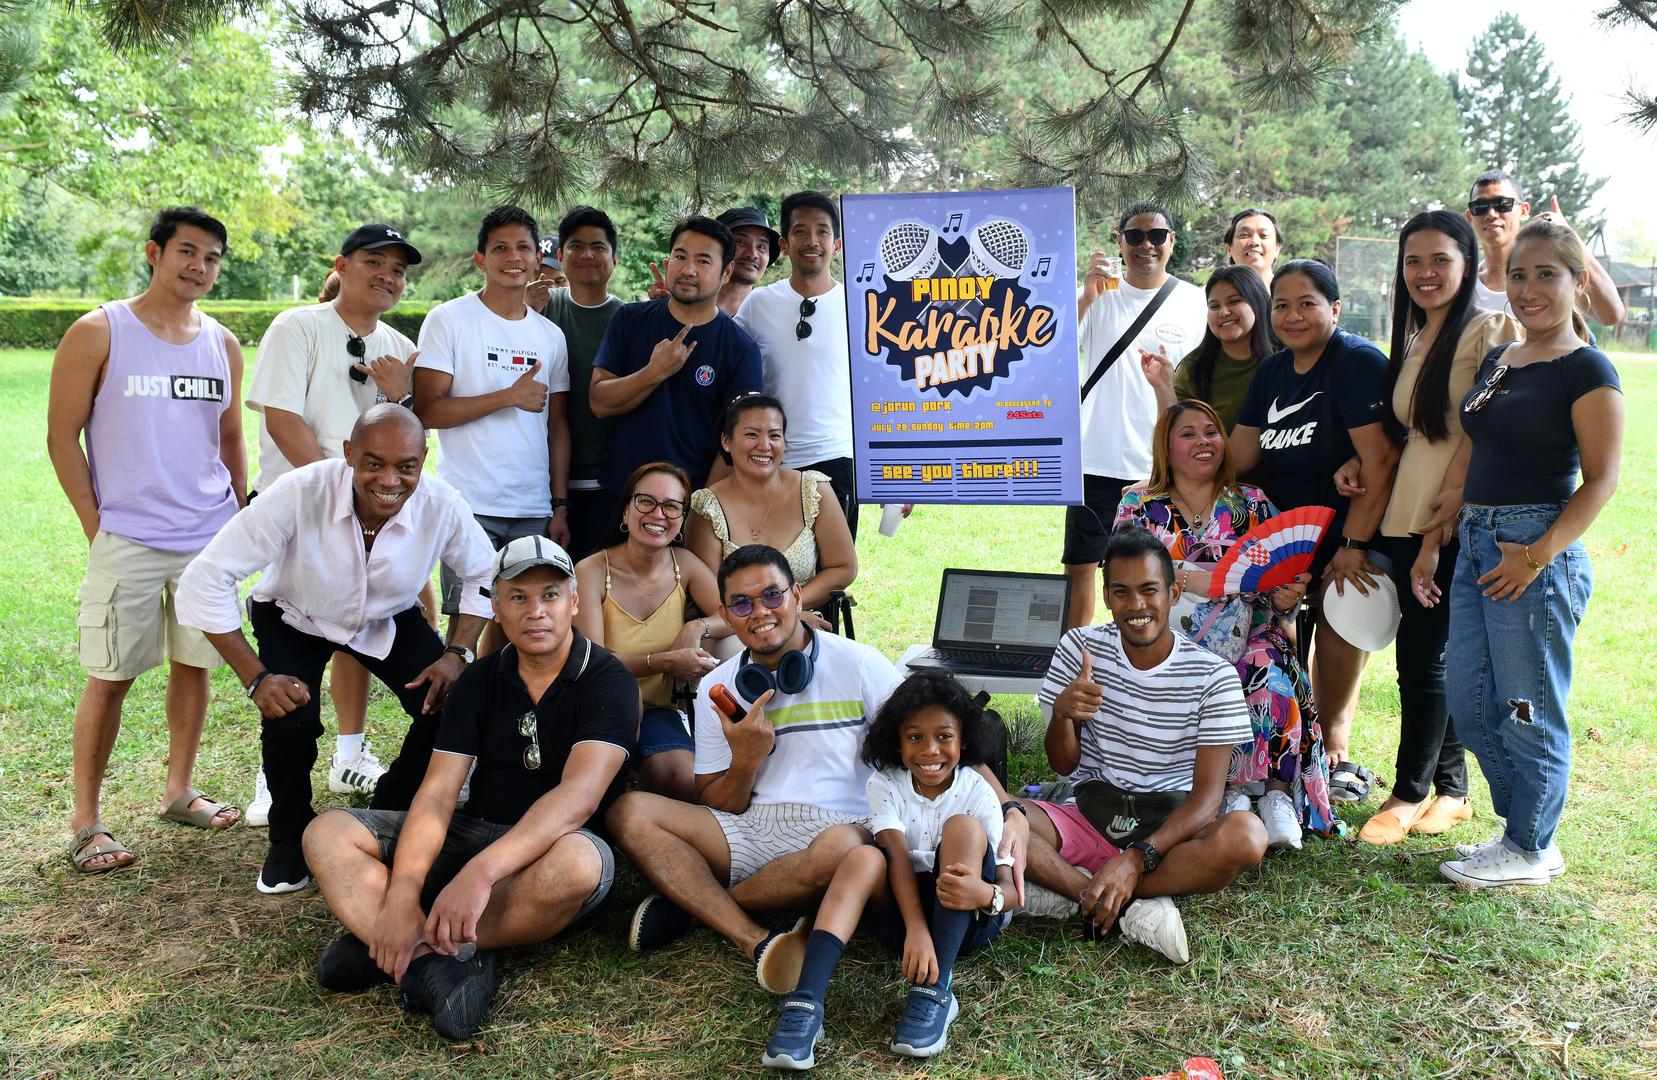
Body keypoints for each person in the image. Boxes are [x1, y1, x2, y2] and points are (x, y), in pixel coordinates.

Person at [605, 545, 1027, 986]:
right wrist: (745, 762)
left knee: (843, 849)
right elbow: (718, 803)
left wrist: (1010, 807)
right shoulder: (718, 686)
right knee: (629, 811)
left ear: (797, 596)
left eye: (772, 595)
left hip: (847, 827)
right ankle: (754, 937)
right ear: (726, 616)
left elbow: (935, 740)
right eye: (742, 604)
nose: (760, 612)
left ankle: (697, 905)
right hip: (751, 825)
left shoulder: (858, 663)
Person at [301, 536, 636, 1041]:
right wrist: (403, 892)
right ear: (496, 607)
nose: (536, 611)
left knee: (581, 864)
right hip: (472, 833)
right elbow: (438, 794)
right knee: (326, 833)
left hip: (552, 849)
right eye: (518, 597)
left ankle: (396, 944)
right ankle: (430, 954)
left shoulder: (608, 678)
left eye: (549, 595)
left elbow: (577, 799)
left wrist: (479, 875)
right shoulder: (479, 679)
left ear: (573, 602)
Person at [176, 405, 494, 894]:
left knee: (448, 701)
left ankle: (390, 807)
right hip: (294, 613)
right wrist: (257, 678)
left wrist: (457, 654)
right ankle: (288, 837)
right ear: (349, 454)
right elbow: (206, 577)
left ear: (423, 459)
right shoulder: (299, 491)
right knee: (291, 720)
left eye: (406, 466)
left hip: (385, 616)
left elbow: (484, 574)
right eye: (374, 463)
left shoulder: (442, 503)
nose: (390, 480)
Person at [1419, 218, 1622, 887]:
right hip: (1477, 539)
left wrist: (1534, 557)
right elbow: (1475, 441)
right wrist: (1448, 514)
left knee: (1526, 705)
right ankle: (1519, 830)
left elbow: (1601, 480)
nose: (1528, 289)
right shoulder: (1502, 356)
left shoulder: (1586, 367)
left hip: (1532, 548)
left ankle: (1532, 845)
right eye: (1517, 275)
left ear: (1578, 282)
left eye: (1545, 275)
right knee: (1469, 698)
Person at [47, 206, 247, 872]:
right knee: (111, 676)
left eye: (212, 258)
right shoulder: (99, 331)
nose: (200, 267)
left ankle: (178, 790)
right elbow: (62, 437)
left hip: (206, 537)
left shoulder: (222, 343)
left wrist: (237, 518)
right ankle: (86, 822)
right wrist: (94, 523)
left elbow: (229, 438)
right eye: (188, 251)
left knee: (195, 664)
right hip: (127, 536)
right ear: (154, 252)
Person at [242, 223, 426, 825]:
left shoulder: (400, 347)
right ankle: (276, 783)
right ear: (342, 266)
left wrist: (400, 396)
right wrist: (339, 496)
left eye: (398, 270)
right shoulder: (298, 327)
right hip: (300, 519)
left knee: (372, 636)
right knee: (291, 659)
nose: (388, 277)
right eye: (375, 262)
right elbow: (283, 421)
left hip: (373, 527)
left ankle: (361, 767)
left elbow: (405, 446)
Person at [1018, 528, 1268, 964]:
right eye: (1122, 592)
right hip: (1091, 811)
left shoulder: (1213, 677)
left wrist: (1136, 858)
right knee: (1003, 815)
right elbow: (1063, 765)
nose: (1136, 605)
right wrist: (1062, 714)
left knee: (1246, 836)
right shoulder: (1080, 648)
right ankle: (1108, 900)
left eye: (1149, 590)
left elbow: (1207, 800)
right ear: (1106, 596)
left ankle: (1088, 889)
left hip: (1170, 827)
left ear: (1173, 594)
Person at [1349, 212, 1520, 845]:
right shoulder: (1420, 333)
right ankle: (1451, 790)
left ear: (1468, 264)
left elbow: (1486, 430)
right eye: (1413, 261)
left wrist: (1437, 526)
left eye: (1440, 259)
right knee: (1426, 655)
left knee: (1422, 660)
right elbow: (1412, 428)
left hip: (1453, 515)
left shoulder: (1490, 328)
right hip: (1406, 508)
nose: (1425, 272)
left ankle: (1407, 792)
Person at [760, 672, 1015, 1069]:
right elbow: (895, 856)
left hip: (966, 921)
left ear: (964, 740)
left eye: (944, 736)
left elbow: (1009, 888)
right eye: (915, 737)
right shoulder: (886, 784)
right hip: (904, 923)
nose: (930, 750)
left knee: (962, 828)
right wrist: (916, 930)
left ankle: (935, 991)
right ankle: (805, 1002)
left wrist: (984, 894)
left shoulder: (977, 791)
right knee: (863, 857)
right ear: (897, 741)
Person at [1114, 400, 1335, 848]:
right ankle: (1231, 792)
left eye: (1212, 431)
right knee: (1205, 674)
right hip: (1165, 639)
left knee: (1267, 667)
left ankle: (1275, 794)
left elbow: (1277, 582)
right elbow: (1122, 573)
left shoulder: (1251, 503)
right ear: (1166, 447)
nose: (1204, 441)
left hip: (1247, 631)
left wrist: (1286, 595)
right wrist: (1193, 577)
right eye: (1189, 433)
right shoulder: (1139, 504)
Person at [1229, 259, 1397, 799]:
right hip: (1289, 535)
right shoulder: (1273, 372)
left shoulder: (1356, 362)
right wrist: (1174, 469)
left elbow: (1381, 461)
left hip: (1355, 526)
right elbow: (1239, 454)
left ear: (1335, 309)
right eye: (1282, 305)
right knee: (1273, 623)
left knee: (1345, 603)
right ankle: (1289, 733)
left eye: (1308, 303)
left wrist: (1353, 544)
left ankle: (1334, 745)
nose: (1293, 315)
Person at [414, 206, 573, 654]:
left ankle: (500, 699)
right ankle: (455, 697)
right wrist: (507, 396)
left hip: (531, 506)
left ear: (537, 259)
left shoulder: (550, 336)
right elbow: (427, 410)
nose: (513, 257)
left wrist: (559, 505)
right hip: (468, 503)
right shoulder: (449, 319)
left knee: (522, 628)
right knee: (465, 624)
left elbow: (558, 427)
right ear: (480, 259)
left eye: (523, 247)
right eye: (500, 247)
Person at [1066, 202, 1207, 630]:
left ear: (1172, 242)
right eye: (1135, 236)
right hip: (1096, 458)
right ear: (1120, 242)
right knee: (1080, 568)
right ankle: (1075, 657)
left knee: (1160, 570)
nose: (1147, 245)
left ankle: (1152, 657)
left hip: (1162, 464)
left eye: (1157, 236)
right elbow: (1051, 348)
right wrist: (1086, 296)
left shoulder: (1195, 302)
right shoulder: (1096, 294)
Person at [574, 461, 731, 801]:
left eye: (671, 506)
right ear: (626, 511)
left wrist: (697, 625)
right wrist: (665, 661)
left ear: (682, 519)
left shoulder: (684, 564)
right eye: (646, 501)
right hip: (600, 708)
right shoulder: (590, 571)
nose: (658, 514)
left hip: (659, 711)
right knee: (602, 791)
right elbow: (593, 663)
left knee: (684, 783)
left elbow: (733, 615)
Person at [590, 215, 763, 517]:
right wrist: (654, 372)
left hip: (687, 505)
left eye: (703, 261)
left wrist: (699, 511)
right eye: (680, 256)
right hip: (621, 496)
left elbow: (735, 445)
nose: (688, 269)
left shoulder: (740, 349)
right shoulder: (630, 319)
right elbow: (599, 403)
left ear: (726, 272)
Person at [734, 191, 859, 535]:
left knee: (836, 563)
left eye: (822, 231)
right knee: (770, 563)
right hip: (771, 458)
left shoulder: (859, 305)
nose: (812, 241)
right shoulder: (757, 304)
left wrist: (896, 480)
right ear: (785, 244)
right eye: (800, 231)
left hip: (839, 460)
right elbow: (727, 362)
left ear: (837, 245)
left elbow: (883, 390)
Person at [687, 393, 856, 630]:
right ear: (726, 441)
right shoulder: (707, 506)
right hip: (737, 630)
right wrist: (771, 615)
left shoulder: (813, 489)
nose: (765, 446)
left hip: (803, 618)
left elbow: (843, 568)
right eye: (752, 434)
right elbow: (711, 593)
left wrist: (791, 609)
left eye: (775, 435)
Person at [539, 206, 626, 560]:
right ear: (560, 256)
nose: (587, 254)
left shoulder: (629, 319)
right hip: (542, 484)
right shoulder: (541, 309)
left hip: (611, 481)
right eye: (576, 245)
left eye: (598, 246)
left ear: (614, 259)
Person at [1465, 170, 1623, 326]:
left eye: (1502, 204)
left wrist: (1569, 236)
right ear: (1469, 217)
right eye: (1480, 206)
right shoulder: (1463, 283)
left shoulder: (1553, 275)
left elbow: (1612, 314)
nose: (1491, 214)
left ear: (1524, 210)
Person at [1142, 264, 1275, 432]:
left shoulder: (1288, 357)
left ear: (1259, 303)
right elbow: (1174, 435)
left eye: (1234, 301)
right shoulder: (1194, 368)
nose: (1223, 312)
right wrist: (1163, 388)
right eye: (1214, 306)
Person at [716, 206, 780, 317]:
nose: (752, 254)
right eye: (740, 242)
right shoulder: (686, 303)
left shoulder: (770, 317)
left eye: (761, 247)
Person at [1223, 207, 1283, 289]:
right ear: (1229, 249)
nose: (1254, 242)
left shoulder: (1291, 291)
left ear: (1277, 249)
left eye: (1264, 235)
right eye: (1244, 235)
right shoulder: (1216, 292)